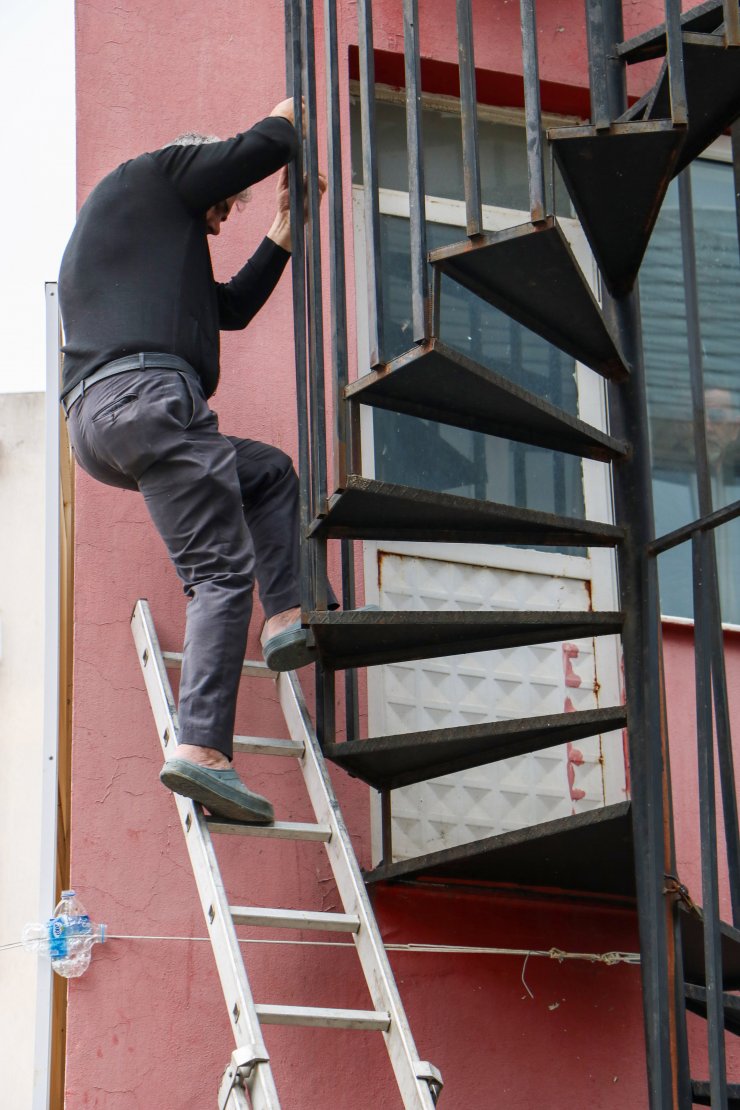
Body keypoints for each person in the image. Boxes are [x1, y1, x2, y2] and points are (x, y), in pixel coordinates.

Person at [58, 97, 328, 826]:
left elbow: (231, 307)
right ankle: (201, 749)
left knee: (267, 472)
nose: (219, 223)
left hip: (107, 422)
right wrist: (291, 110)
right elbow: (263, 142)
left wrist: (284, 225)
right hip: (148, 396)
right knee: (216, 571)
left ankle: (287, 618)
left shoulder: (146, 256)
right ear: (200, 173)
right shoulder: (154, 175)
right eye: (224, 210)